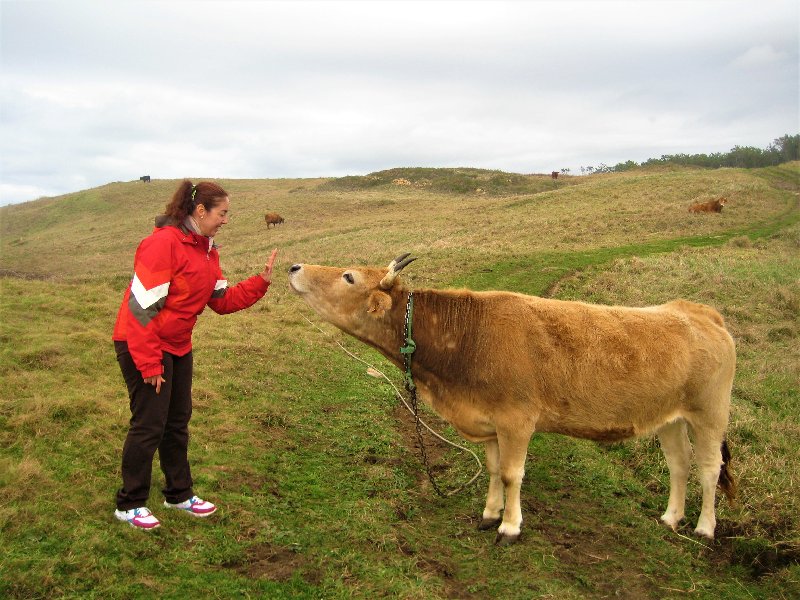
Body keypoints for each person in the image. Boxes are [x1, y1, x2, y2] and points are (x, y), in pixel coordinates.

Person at [112, 180, 278, 530]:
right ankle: (130, 503)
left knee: (176, 422)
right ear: (199, 211)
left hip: (177, 345)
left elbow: (221, 301)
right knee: (149, 424)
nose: (225, 220)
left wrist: (260, 282)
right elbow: (141, 310)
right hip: (142, 342)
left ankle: (179, 494)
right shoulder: (162, 244)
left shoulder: (206, 251)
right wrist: (149, 363)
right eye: (222, 213)